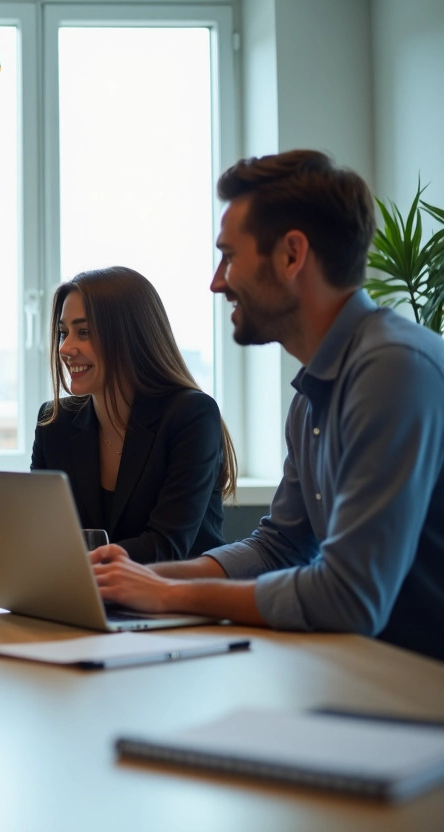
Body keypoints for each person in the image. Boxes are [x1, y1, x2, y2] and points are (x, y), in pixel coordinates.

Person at [92, 150, 444, 661]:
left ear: (291, 255)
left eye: (230, 256)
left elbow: (350, 597)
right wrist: (133, 577)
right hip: (368, 669)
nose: (217, 281)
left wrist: (171, 594)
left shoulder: (392, 367)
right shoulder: (312, 396)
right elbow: (277, 548)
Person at [31, 267, 237, 563]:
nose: (65, 347)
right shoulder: (54, 422)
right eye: (64, 332)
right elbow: (41, 533)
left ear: (129, 335)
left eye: (84, 332)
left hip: (176, 602)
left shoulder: (191, 416)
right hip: (84, 598)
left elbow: (167, 547)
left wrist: (70, 561)